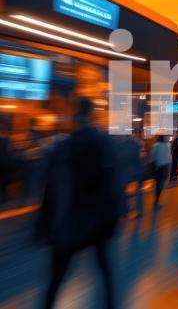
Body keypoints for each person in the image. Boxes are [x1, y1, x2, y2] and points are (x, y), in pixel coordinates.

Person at [38, 99, 123, 309]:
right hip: (97, 220)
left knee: (56, 278)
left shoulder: (64, 145)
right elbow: (112, 182)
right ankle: (110, 305)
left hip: (69, 220)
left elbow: (50, 186)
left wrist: (45, 224)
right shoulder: (103, 143)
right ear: (92, 114)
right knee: (105, 271)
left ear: (75, 116)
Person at [149, 135, 171, 210]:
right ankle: (156, 202)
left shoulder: (155, 145)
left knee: (158, 184)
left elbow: (152, 157)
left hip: (158, 167)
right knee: (160, 185)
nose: (167, 138)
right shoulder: (165, 145)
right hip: (163, 167)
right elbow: (168, 158)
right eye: (166, 138)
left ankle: (156, 201)